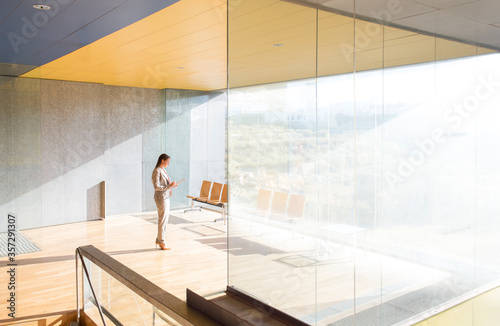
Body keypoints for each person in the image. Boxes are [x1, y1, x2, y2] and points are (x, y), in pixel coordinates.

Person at [152, 154, 178, 250]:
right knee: (162, 220)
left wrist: (171, 186)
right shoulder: (157, 171)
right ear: (162, 160)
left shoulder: (163, 170)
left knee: (164, 219)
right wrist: (169, 186)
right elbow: (156, 187)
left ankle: (160, 239)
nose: (168, 164)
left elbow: (165, 184)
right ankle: (161, 241)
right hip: (161, 198)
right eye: (167, 162)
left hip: (165, 197)